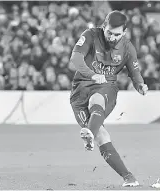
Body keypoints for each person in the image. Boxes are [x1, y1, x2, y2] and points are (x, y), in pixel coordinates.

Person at [69, 10, 148, 187]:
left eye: (117, 34)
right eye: (109, 33)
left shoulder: (127, 48)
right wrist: (91, 74)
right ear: (104, 27)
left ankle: (89, 131)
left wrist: (140, 85)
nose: (112, 37)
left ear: (125, 32)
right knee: (101, 136)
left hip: (107, 87)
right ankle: (129, 178)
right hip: (80, 88)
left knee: (96, 99)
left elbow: (135, 73)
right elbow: (75, 58)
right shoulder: (90, 35)